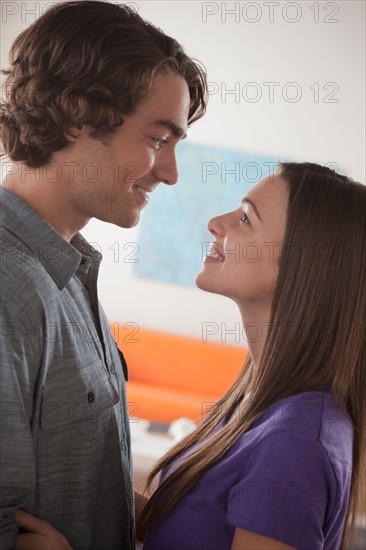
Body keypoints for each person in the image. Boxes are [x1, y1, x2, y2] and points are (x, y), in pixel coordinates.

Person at [0, 1, 207, 549]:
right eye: (159, 139)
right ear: (76, 115)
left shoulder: (68, 272)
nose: (170, 172)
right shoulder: (6, 285)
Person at [137, 163, 366, 550]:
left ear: (302, 264)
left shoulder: (294, 442)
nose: (215, 222)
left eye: (245, 218)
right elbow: (190, 530)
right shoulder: (262, 399)